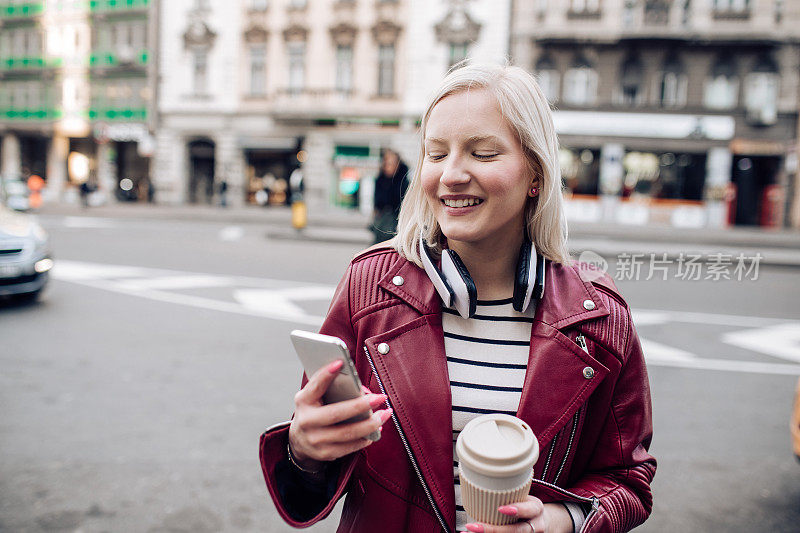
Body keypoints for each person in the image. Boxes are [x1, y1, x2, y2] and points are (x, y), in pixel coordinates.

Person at [258, 63, 656, 533]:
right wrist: (304, 452)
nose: (451, 175)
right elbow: (314, 477)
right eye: (435, 153)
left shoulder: (602, 316)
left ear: (536, 174)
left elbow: (628, 481)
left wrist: (559, 520)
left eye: (483, 153)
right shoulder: (366, 286)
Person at [371, 148, 410, 243]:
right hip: (382, 222)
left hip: (398, 223)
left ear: (398, 164)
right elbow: (377, 203)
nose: (389, 166)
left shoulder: (404, 182)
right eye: (387, 163)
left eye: (392, 163)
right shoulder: (380, 180)